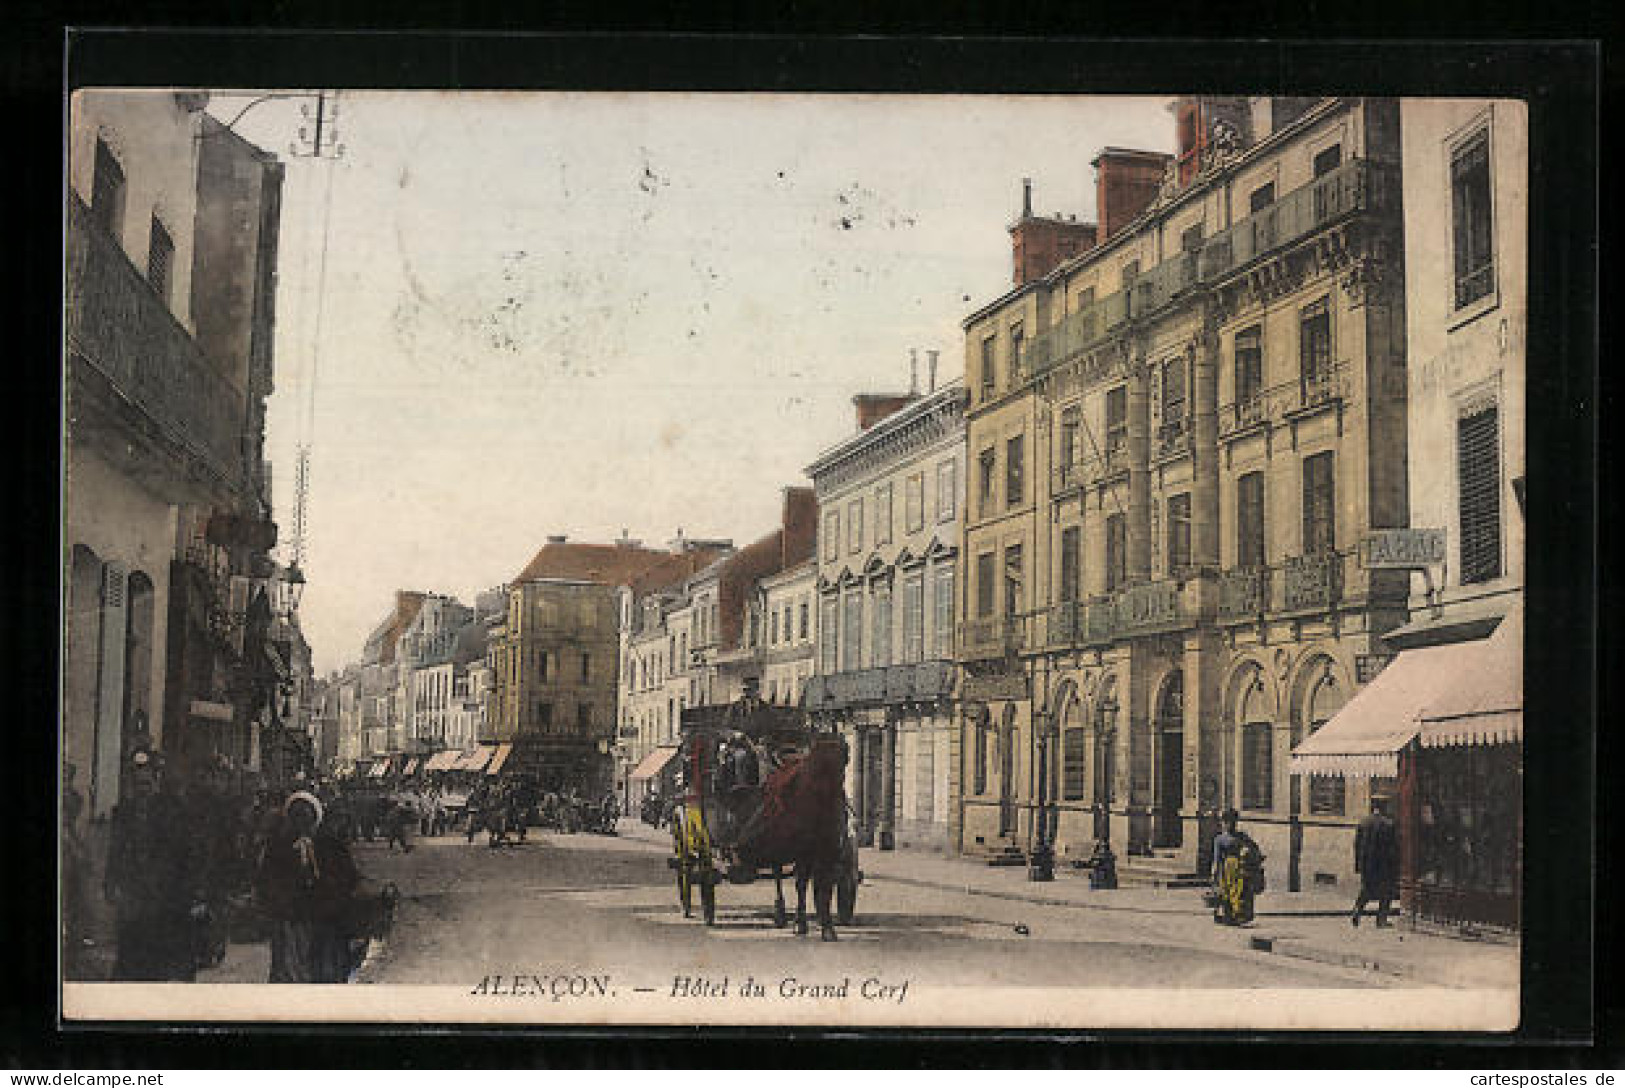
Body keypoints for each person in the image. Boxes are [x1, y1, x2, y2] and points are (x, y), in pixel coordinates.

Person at [104, 748, 205, 981]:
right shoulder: (123, 813)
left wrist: (191, 892)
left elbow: (189, 855)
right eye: (138, 784)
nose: (143, 790)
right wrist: (110, 883)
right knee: (130, 953)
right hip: (134, 896)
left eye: (147, 783)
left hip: (166, 896)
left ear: (157, 782)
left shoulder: (173, 812)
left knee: (161, 955)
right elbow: (116, 851)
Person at [255, 791, 361, 983]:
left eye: (305, 815)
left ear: (315, 817)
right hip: (291, 920)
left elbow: (349, 878)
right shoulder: (278, 847)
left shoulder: (330, 845)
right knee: (290, 970)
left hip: (324, 919)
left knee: (324, 969)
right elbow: (266, 881)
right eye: (295, 816)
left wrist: (326, 889)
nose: (300, 821)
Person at [1210, 808, 1264, 926]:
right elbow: (1217, 858)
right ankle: (1228, 915)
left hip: (1240, 868)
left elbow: (1254, 848)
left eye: (1232, 822)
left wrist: (1249, 853)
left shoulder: (1242, 836)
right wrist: (1214, 873)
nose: (1228, 825)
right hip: (1227, 869)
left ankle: (1239, 915)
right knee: (1226, 891)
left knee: (1240, 891)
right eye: (1225, 822)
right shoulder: (1219, 839)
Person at [1352, 797, 1400, 928]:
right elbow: (1392, 848)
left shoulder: (1363, 822)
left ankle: (1357, 910)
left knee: (1366, 889)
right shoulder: (1388, 824)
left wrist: (1358, 865)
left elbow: (1356, 845)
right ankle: (1381, 920)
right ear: (1384, 807)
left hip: (1366, 865)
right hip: (1383, 866)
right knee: (1386, 892)